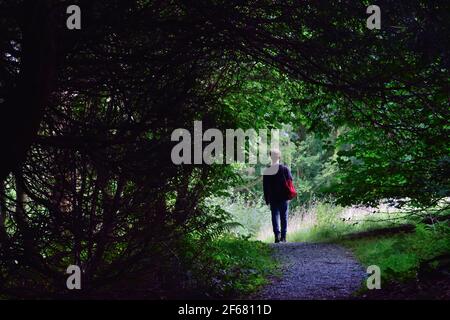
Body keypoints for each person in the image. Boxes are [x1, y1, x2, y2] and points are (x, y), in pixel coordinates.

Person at [263, 149, 293, 243]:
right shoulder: (285, 169)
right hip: (284, 196)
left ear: (270, 157)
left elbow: (265, 186)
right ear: (279, 157)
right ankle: (283, 237)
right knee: (284, 216)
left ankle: (277, 236)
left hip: (273, 197)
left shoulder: (267, 170)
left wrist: (267, 199)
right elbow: (290, 182)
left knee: (274, 216)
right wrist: (290, 195)